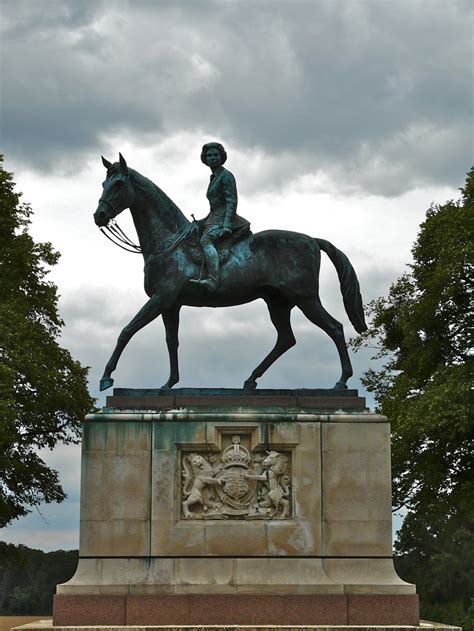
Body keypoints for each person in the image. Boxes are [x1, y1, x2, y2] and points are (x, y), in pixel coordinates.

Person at [190, 142, 250, 290]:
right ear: (205, 159)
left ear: (221, 157)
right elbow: (213, 208)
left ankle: (213, 279)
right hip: (215, 217)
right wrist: (202, 221)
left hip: (225, 218)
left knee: (206, 241)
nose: (212, 158)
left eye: (215, 155)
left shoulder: (226, 175)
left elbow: (231, 201)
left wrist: (227, 223)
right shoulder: (214, 177)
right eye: (209, 155)